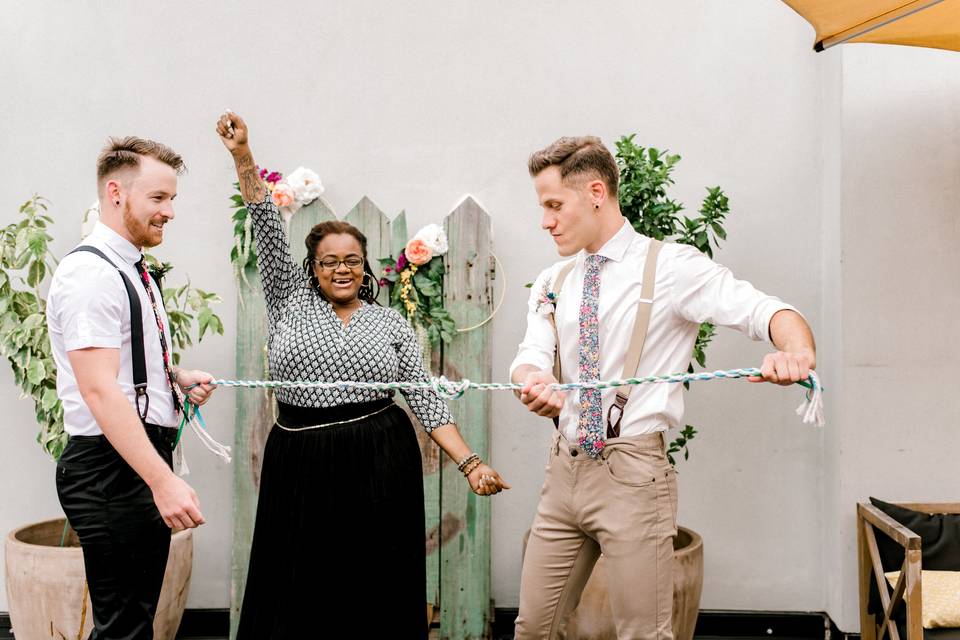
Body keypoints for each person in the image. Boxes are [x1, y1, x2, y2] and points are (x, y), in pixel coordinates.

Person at [215, 111, 509, 639]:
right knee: (296, 580)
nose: (342, 269)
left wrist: (470, 463)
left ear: (366, 264)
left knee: (376, 581)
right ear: (312, 269)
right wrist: (243, 158)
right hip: (300, 458)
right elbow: (264, 221)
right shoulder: (288, 302)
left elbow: (423, 399)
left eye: (352, 259)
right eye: (329, 262)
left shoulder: (390, 321)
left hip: (379, 457)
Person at [510, 136, 817, 639]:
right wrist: (534, 382)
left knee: (644, 635)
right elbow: (530, 357)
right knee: (532, 630)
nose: (545, 221)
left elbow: (767, 311)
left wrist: (797, 353)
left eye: (553, 205)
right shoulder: (553, 279)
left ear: (594, 192)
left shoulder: (671, 267)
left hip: (633, 477)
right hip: (563, 471)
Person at [47, 137, 216, 640]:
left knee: (132, 624)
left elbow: (118, 366)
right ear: (116, 192)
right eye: (158, 199)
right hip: (108, 469)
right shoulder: (91, 275)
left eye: (172, 200)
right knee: (123, 627)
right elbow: (99, 392)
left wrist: (173, 377)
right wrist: (162, 481)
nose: (170, 212)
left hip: (128, 461)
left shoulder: (128, 267)